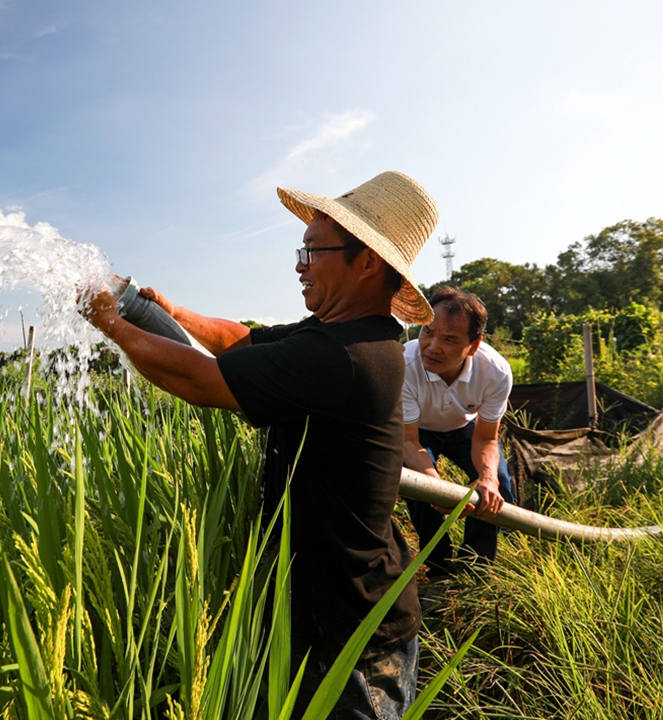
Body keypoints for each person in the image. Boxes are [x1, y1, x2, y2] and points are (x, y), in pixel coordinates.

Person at [80, 171, 439, 719]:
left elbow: (202, 381)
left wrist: (111, 322)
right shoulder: (340, 336)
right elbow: (243, 340)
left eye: (313, 250)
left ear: (367, 262)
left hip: (355, 634)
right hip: (327, 613)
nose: (299, 264)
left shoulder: (344, 357)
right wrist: (171, 313)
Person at [402, 286, 515, 580]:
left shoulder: (495, 372)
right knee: (419, 489)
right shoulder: (403, 365)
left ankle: (475, 567)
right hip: (418, 433)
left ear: (473, 346)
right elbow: (408, 440)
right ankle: (439, 567)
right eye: (427, 332)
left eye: (449, 339)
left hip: (465, 427)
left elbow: (486, 438)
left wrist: (486, 478)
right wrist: (435, 485)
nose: (432, 346)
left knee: (497, 483)